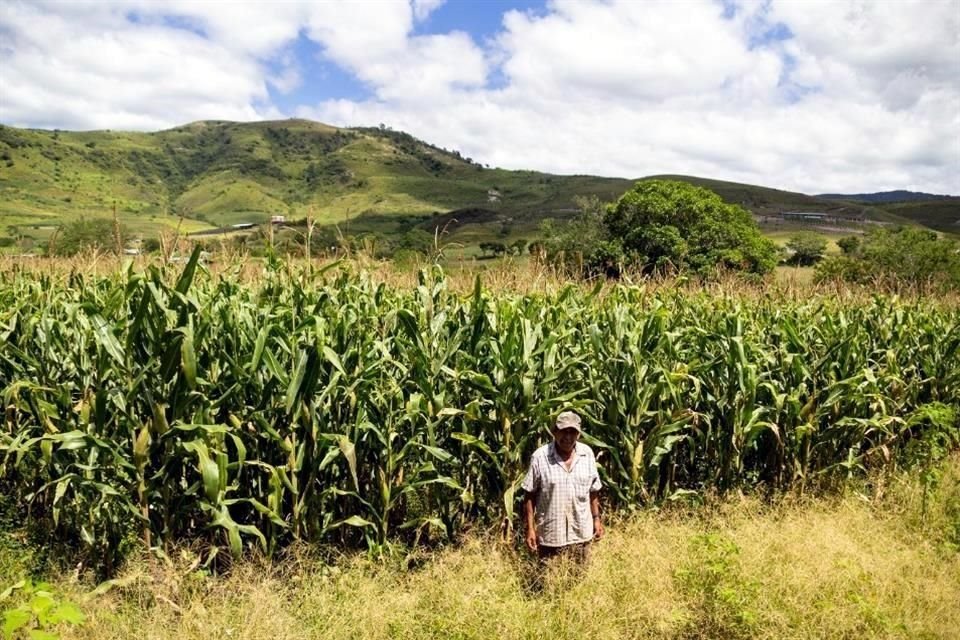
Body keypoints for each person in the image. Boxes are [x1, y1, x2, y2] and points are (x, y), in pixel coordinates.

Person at [521, 410, 604, 565]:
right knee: (548, 582)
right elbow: (529, 495)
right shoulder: (540, 457)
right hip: (550, 535)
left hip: (581, 531)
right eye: (563, 432)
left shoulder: (587, 454)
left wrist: (596, 520)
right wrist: (530, 529)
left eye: (572, 432)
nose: (567, 437)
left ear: (578, 434)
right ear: (554, 432)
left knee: (579, 579)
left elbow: (593, 491)